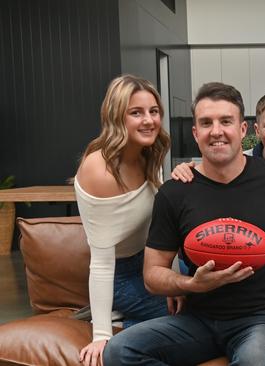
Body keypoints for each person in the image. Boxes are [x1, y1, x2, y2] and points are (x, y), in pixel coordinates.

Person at [102, 82, 265, 366]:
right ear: (196, 133)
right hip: (198, 320)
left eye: (226, 121)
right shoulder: (175, 192)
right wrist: (189, 284)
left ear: (243, 130)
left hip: (262, 318)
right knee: (119, 350)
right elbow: (152, 274)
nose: (216, 131)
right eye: (206, 123)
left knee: (257, 361)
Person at [74, 74, 173, 366]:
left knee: (215, 294)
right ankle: (121, 327)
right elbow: (102, 262)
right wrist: (101, 335)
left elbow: (159, 218)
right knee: (186, 317)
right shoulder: (100, 170)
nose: (149, 120)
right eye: (136, 112)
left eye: (153, 111)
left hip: (154, 259)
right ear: (117, 117)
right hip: (121, 274)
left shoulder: (147, 153)